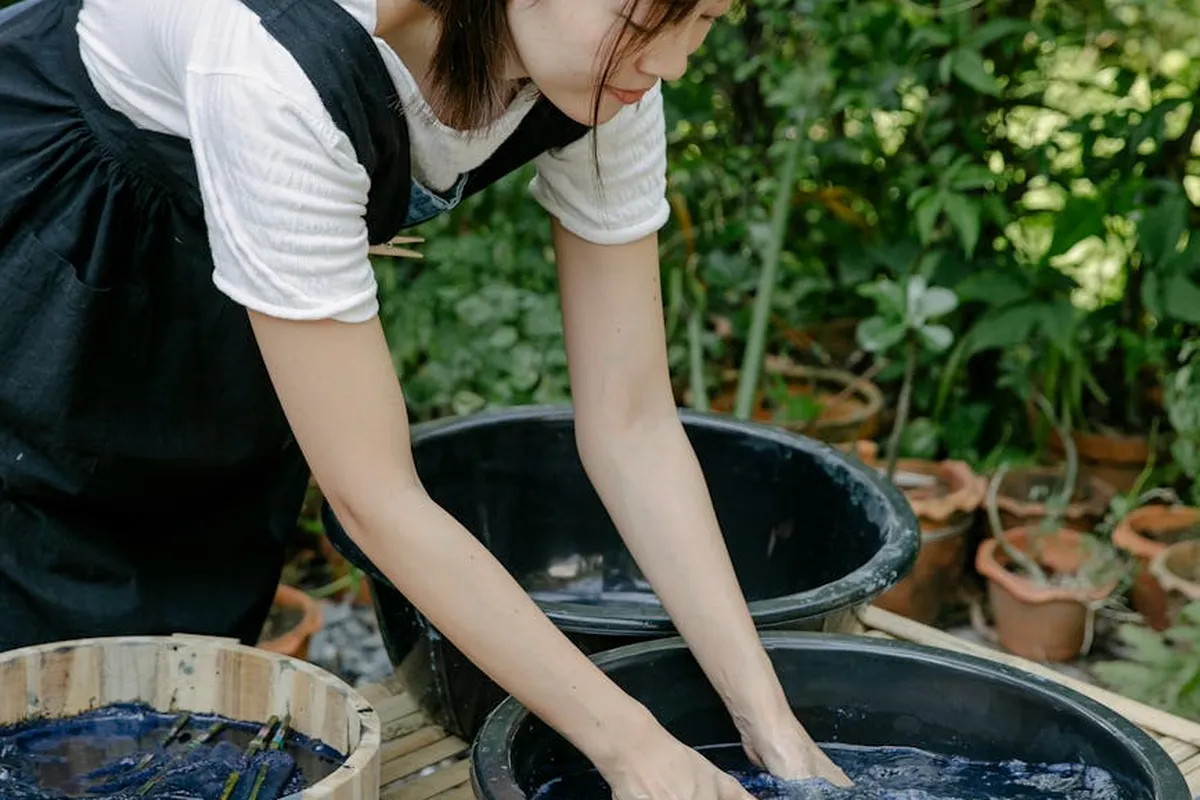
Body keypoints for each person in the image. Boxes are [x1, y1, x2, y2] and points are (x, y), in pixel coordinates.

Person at [0, 0, 852, 795]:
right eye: (647, 21)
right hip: (56, 242)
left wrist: (772, 729)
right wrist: (634, 748)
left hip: (227, 305)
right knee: (36, 678)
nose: (672, 61)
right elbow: (374, 496)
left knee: (179, 666)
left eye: (705, 19)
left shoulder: (602, 69)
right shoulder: (273, 58)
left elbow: (631, 422)